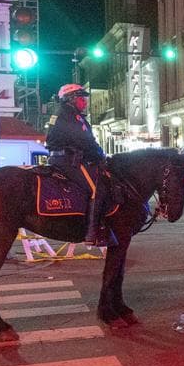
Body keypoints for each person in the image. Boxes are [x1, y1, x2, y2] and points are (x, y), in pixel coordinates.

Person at [45, 83, 115, 246]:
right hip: (68, 160)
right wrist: (100, 157)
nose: (85, 102)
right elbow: (85, 141)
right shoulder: (70, 115)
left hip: (64, 158)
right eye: (82, 98)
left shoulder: (66, 113)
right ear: (71, 99)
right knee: (97, 188)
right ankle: (92, 233)